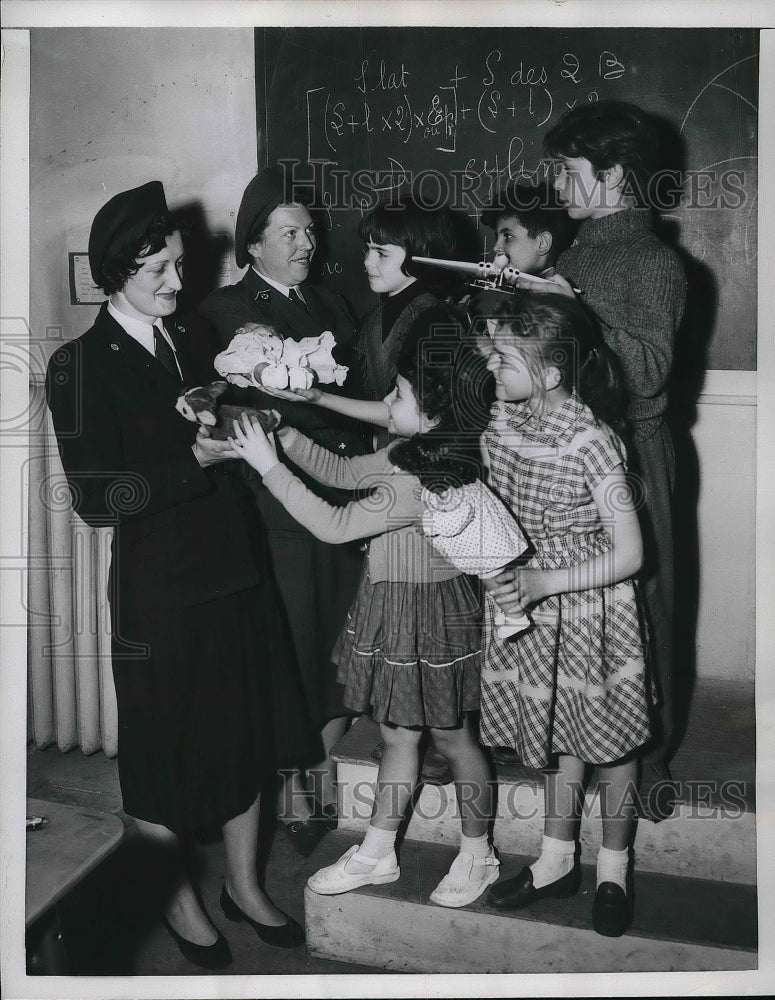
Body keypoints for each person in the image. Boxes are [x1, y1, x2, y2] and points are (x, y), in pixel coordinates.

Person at [45, 182, 309, 968]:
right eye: (157, 267)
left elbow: (222, 424)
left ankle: (245, 886)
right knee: (162, 753)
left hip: (232, 565)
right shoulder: (80, 364)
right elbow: (97, 499)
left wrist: (256, 420)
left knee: (244, 735)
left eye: (180, 264)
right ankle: (176, 899)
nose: (175, 281)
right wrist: (192, 459)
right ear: (114, 272)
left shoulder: (194, 336)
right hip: (158, 587)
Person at [229, 307, 501, 909]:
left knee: (454, 739)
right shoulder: (412, 449)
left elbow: (333, 523)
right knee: (398, 734)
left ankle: (479, 853)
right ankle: (379, 851)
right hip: (392, 604)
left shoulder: (420, 477)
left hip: (428, 615)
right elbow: (347, 470)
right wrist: (284, 434)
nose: (387, 397)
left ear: (433, 411)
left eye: (399, 391)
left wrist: (268, 466)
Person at [515, 103, 686, 799]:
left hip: (634, 454)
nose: (557, 182)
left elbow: (645, 371)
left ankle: (648, 759)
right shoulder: (579, 250)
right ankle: (580, 741)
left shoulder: (653, 260)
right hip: (568, 451)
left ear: (613, 175)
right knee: (584, 608)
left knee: (644, 601)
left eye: (568, 169)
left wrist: (576, 306)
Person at [200, 167, 368, 852]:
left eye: (310, 230)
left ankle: (321, 770)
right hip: (279, 505)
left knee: (339, 634)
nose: (306, 242)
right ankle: (297, 787)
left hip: (344, 492)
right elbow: (257, 405)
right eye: (290, 232)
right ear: (253, 244)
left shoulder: (334, 302)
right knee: (293, 642)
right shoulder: (228, 310)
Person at [479, 294, 651, 937]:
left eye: (504, 356)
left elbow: (631, 553)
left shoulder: (595, 442)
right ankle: (556, 861)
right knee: (553, 734)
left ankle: (613, 868)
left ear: (551, 373)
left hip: (588, 605)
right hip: (528, 600)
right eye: (491, 351)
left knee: (609, 740)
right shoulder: (502, 419)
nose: (491, 364)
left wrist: (545, 580)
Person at [356, 197, 460, 449]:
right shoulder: (377, 315)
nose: (368, 262)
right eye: (368, 249)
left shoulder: (435, 323)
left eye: (381, 252)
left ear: (420, 256)